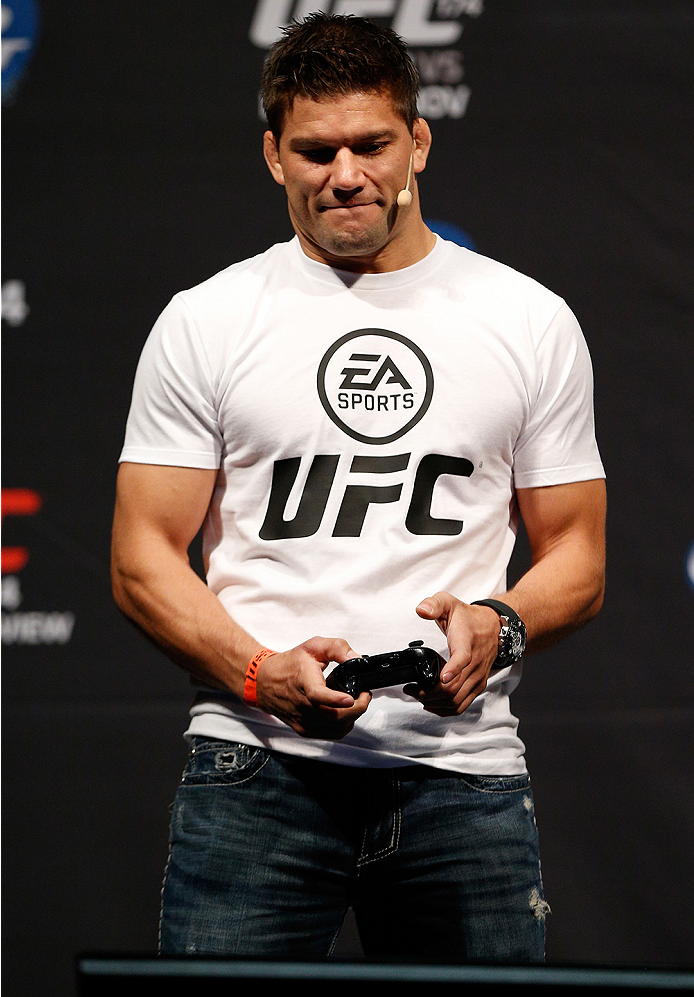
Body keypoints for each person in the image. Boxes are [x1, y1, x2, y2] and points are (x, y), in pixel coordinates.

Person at [111, 13, 606, 964]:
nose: (346, 173)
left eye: (372, 143)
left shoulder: (528, 320)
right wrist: (259, 673)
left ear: (418, 140)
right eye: (315, 149)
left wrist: (496, 625)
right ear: (272, 155)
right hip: (254, 768)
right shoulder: (207, 321)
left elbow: (578, 553)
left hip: (461, 777)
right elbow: (141, 557)